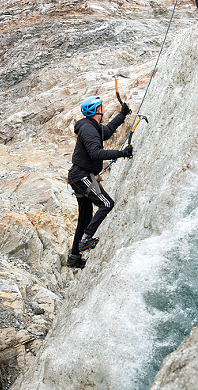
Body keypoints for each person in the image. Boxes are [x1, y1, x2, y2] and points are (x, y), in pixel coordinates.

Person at [67, 95, 133, 269]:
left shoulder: (93, 126)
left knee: (85, 218)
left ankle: (74, 258)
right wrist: (122, 153)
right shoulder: (88, 129)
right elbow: (96, 153)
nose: (103, 110)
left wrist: (122, 115)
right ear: (97, 110)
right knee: (106, 203)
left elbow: (108, 131)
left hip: (80, 175)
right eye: (101, 107)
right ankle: (86, 239)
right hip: (82, 175)